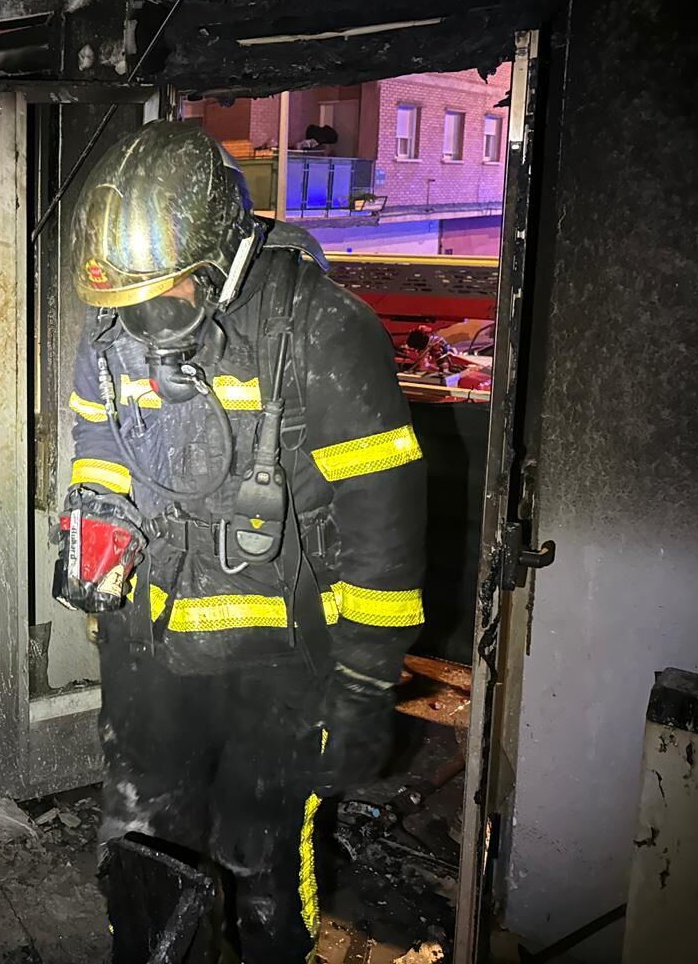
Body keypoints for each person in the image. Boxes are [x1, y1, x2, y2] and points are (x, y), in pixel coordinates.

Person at [55, 121, 427, 963]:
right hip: (150, 650)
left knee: (259, 862)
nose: (147, 322)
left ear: (222, 258)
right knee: (142, 851)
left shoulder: (324, 333)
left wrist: (367, 682)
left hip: (282, 666)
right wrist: (98, 561)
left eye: (168, 294)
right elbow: (100, 454)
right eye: (128, 302)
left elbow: (383, 523)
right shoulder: (114, 329)